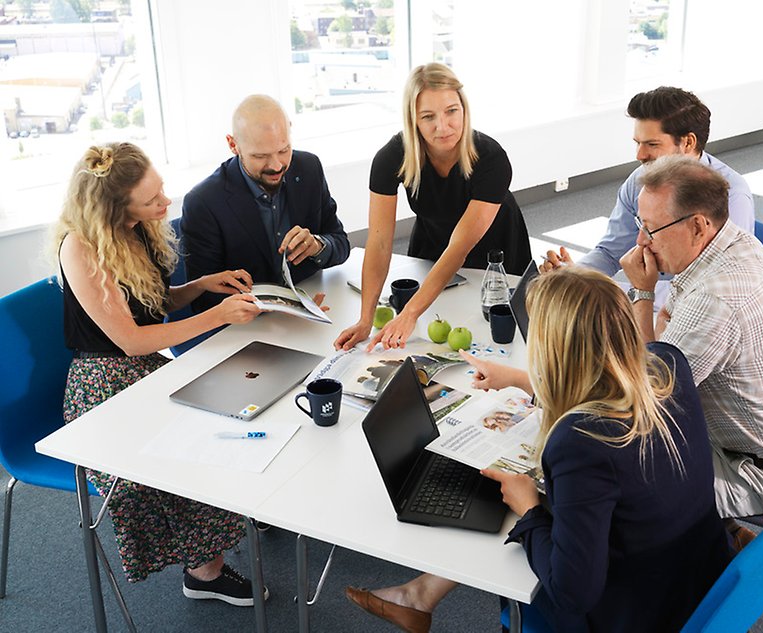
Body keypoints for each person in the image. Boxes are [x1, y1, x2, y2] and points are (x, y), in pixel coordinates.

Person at [345, 267, 733, 632]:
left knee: (504, 525)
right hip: (700, 574)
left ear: (557, 349)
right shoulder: (668, 363)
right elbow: (606, 385)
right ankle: (418, 596)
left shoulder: (580, 443)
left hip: (639, 612)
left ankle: (418, 596)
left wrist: (529, 510)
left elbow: (572, 593)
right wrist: (523, 383)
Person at [52, 142, 270, 605]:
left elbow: (152, 302)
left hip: (143, 371)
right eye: (153, 200)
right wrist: (218, 315)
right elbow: (129, 339)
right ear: (114, 205)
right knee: (188, 449)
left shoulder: (133, 231)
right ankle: (204, 572)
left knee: (225, 419)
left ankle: (229, 527)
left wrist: (201, 286)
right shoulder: (81, 247)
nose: (165, 204)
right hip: (102, 383)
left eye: (161, 191)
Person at [621, 154, 763, 543]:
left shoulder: (717, 299)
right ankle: (723, 533)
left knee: (618, 476)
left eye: (650, 230)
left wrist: (641, 292)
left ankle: (695, 564)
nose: (640, 241)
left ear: (699, 226)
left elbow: (644, 396)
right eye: (640, 224)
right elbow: (667, 328)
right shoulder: (734, 244)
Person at [335, 63, 531, 352]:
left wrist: (409, 314)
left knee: (495, 337)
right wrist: (365, 319)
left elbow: (459, 248)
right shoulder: (391, 158)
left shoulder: (492, 159)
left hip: (496, 250)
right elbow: (378, 243)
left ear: (464, 108)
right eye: (428, 117)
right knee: (430, 333)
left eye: (452, 111)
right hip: (432, 241)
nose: (443, 126)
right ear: (412, 120)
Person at [541, 86, 755, 310]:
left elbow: (715, 288)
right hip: (648, 301)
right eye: (637, 142)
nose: (639, 155)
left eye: (652, 144)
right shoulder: (641, 180)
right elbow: (610, 252)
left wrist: (610, 291)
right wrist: (573, 276)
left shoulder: (732, 196)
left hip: (700, 309)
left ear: (688, 143)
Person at [181, 94, 350, 314]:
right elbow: (203, 300)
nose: (277, 165)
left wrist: (318, 246)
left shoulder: (309, 168)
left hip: (312, 305)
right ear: (233, 145)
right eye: (260, 156)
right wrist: (270, 306)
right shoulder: (203, 202)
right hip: (246, 325)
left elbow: (341, 244)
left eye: (283, 150)